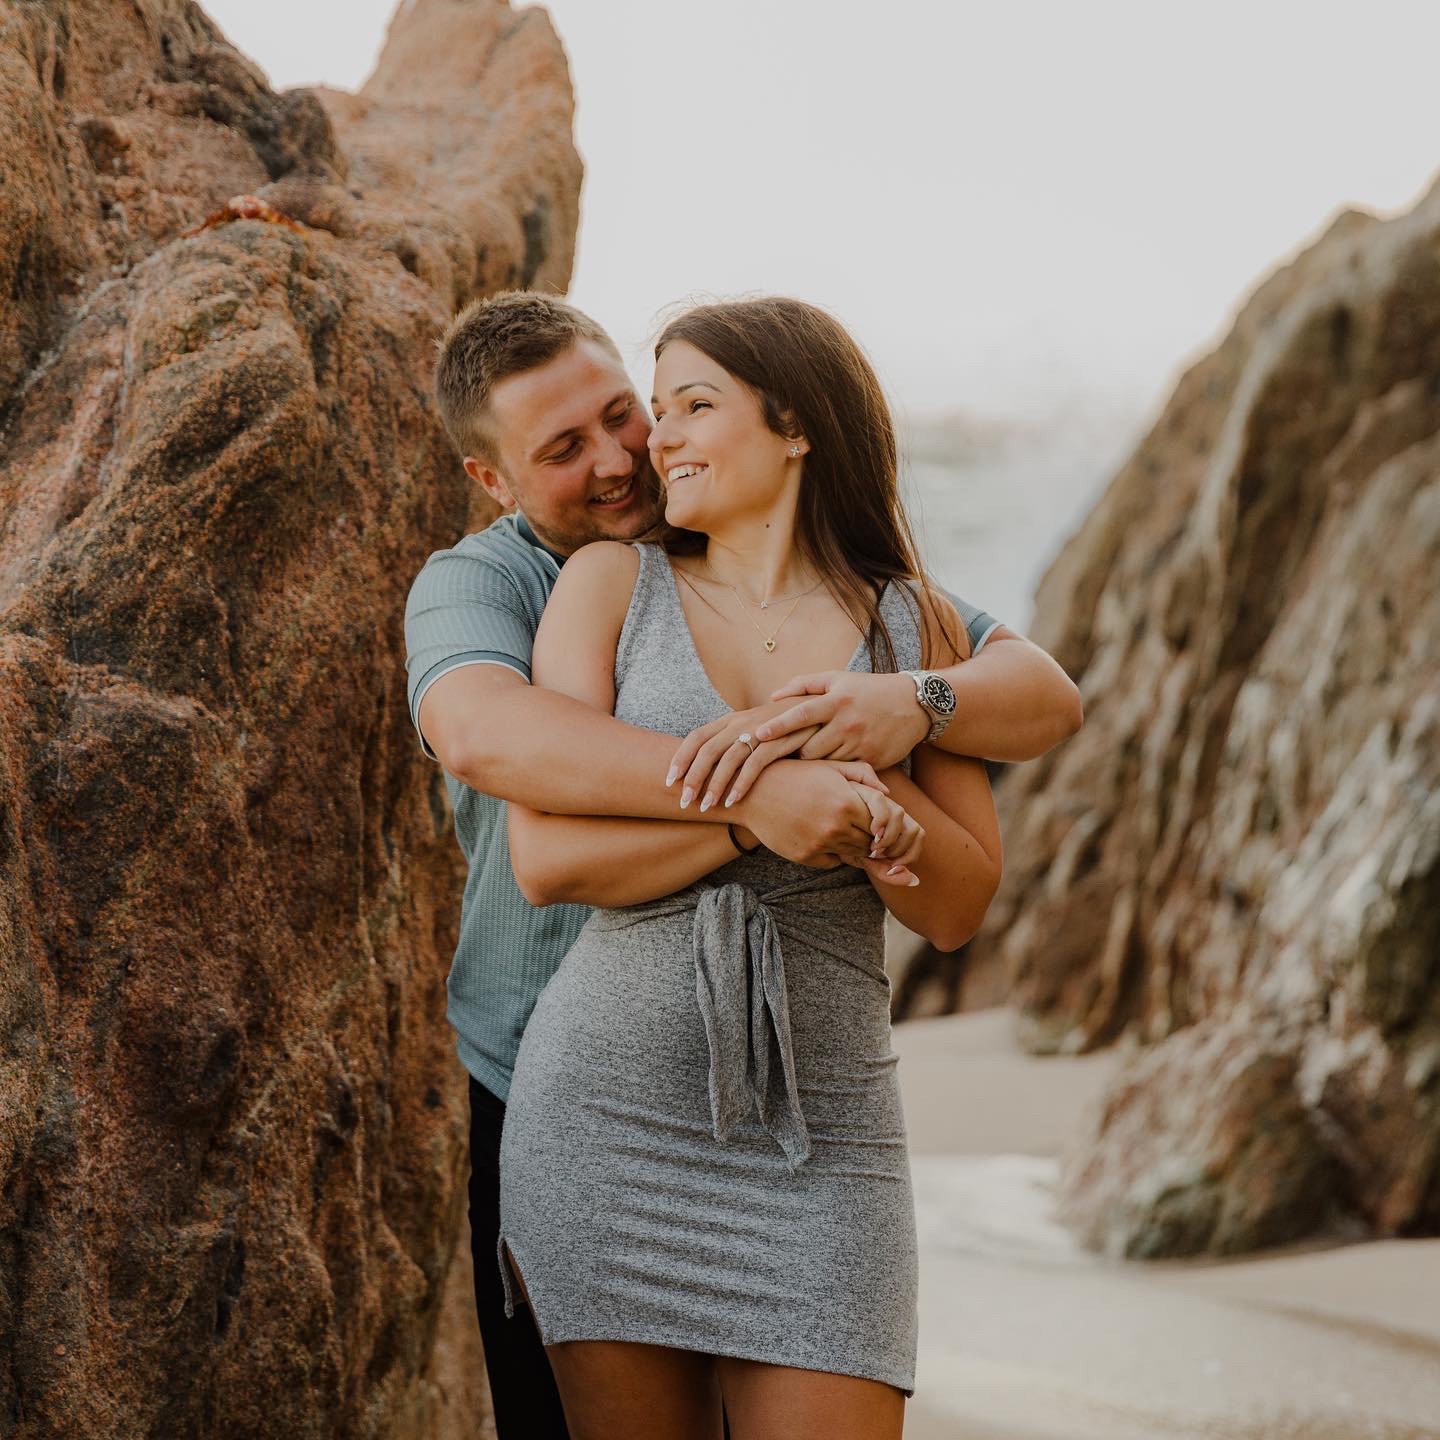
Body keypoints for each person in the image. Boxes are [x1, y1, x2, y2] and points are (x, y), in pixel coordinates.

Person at [404, 292, 1083, 1440]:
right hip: (557, 1080)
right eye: (567, 449)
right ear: (497, 482)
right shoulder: (528, 583)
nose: (631, 454)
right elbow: (496, 754)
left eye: (643, 412)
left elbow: (1039, 700)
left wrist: (904, 715)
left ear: (794, 426)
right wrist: (760, 799)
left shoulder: (894, 615)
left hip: (821, 1120)